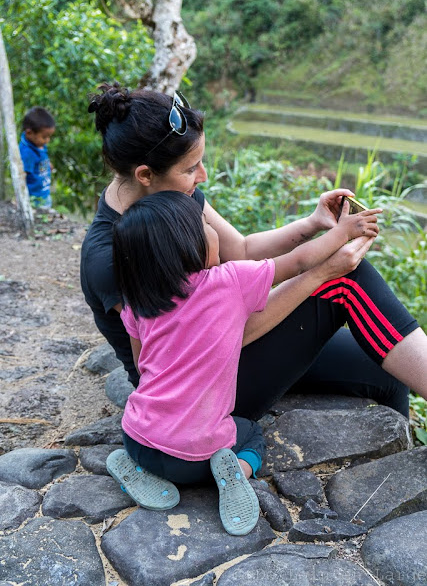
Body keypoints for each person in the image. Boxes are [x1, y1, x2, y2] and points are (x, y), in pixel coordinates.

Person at [80, 83, 427, 508]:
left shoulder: (173, 194)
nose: (202, 177)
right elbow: (201, 337)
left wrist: (313, 223)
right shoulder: (111, 255)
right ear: (145, 175)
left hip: (222, 352)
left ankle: (397, 473)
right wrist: (320, 274)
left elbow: (239, 250)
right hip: (192, 392)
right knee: (345, 280)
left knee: (389, 363)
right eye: (192, 168)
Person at [106, 189, 381, 534]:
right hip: (195, 460)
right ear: (186, 243)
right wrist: (343, 231)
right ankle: (235, 473)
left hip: (137, 436)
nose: (214, 230)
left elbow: (141, 365)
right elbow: (298, 261)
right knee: (251, 433)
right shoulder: (229, 281)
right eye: (206, 224)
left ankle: (140, 469)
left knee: (151, 440)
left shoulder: (137, 304)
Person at [19, 107, 55, 208]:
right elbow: (23, 176)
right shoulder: (27, 153)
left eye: (49, 136)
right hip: (35, 198)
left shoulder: (38, 144)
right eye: (44, 137)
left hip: (44, 192)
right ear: (29, 133)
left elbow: (42, 156)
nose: (47, 140)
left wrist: (48, 164)